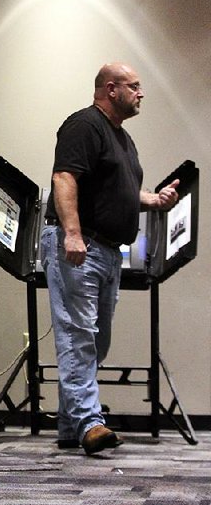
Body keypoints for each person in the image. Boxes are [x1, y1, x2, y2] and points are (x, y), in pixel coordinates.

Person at [40, 63, 180, 455]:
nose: (141, 93)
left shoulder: (122, 139)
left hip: (107, 254)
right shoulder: (84, 125)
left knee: (96, 340)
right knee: (78, 334)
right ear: (110, 89)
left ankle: (71, 425)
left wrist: (151, 200)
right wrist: (72, 232)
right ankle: (89, 422)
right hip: (80, 246)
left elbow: (117, 190)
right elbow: (65, 177)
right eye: (134, 87)